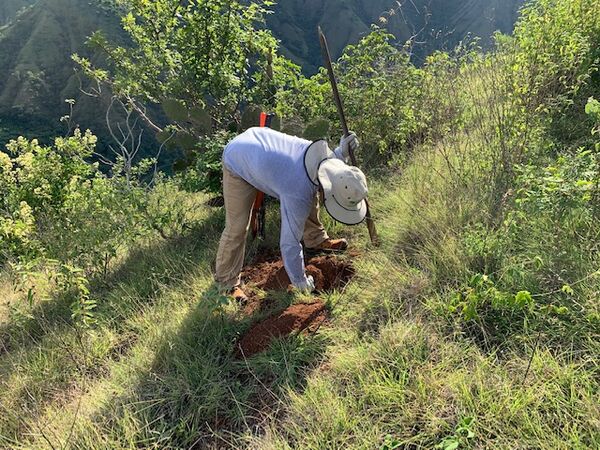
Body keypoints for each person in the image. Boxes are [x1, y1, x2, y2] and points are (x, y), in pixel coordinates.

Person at [215, 127, 369, 301]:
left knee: (311, 186)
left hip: (259, 147)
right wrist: (300, 281)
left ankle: (315, 239)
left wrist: (342, 152)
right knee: (237, 227)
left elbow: (329, 169)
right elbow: (289, 244)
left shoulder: (322, 159)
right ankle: (226, 284)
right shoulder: (297, 192)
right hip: (238, 159)